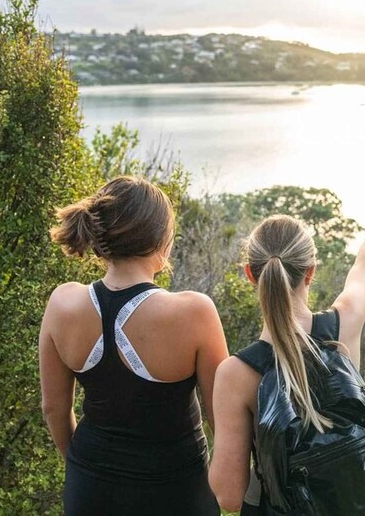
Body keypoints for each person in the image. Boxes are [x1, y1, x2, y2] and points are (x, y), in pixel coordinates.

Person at [39, 176, 228, 515]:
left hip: (90, 490)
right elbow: (223, 420)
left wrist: (87, 468)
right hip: (177, 491)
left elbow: (53, 408)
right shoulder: (194, 313)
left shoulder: (63, 303)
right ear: (161, 242)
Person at [208, 212, 365, 514]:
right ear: (310, 272)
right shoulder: (345, 323)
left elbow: (228, 496)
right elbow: (362, 269)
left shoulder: (236, 373)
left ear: (250, 274)